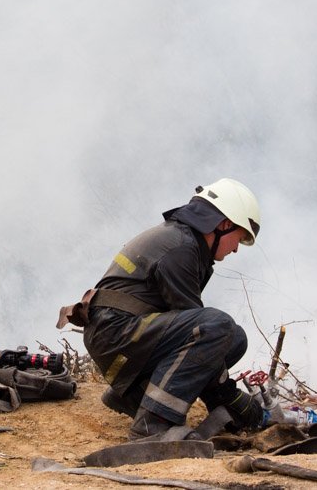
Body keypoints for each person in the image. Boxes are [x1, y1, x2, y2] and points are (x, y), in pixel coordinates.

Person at [78, 179, 268, 440]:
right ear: (224, 224)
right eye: (239, 238)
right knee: (218, 327)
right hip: (116, 334)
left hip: (122, 334)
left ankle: (138, 395)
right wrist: (226, 395)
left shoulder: (185, 242)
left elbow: (193, 339)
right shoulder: (181, 248)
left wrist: (223, 398)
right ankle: (154, 425)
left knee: (235, 338)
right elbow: (203, 334)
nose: (236, 248)